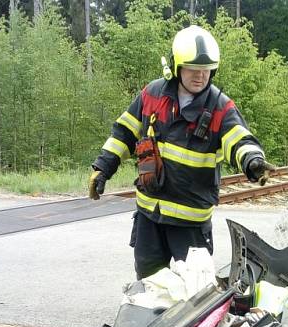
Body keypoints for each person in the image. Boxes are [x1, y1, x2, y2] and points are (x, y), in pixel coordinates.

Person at [88, 25, 273, 279]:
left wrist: (253, 160)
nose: (200, 76)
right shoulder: (152, 95)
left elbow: (238, 138)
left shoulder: (219, 107)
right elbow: (125, 133)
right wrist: (102, 168)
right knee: (150, 288)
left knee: (193, 293)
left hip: (190, 225)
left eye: (206, 70)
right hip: (150, 217)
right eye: (193, 69)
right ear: (176, 67)